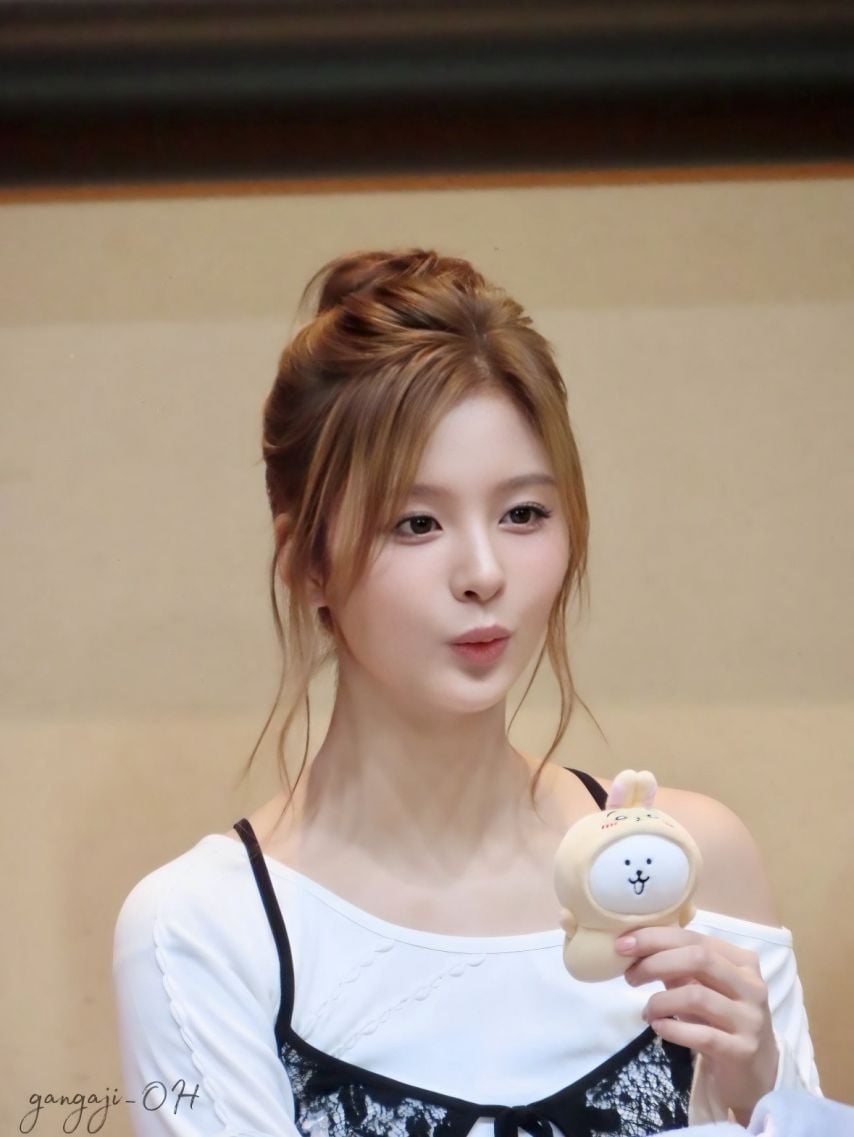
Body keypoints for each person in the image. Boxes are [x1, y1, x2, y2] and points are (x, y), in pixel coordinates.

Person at [112, 248, 821, 1137]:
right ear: (307, 563)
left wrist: (757, 1094)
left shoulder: (687, 864)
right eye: (417, 523)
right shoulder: (206, 929)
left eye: (524, 513)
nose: (484, 572)